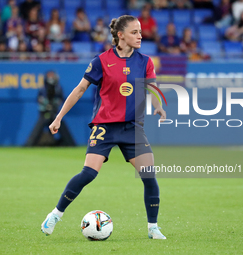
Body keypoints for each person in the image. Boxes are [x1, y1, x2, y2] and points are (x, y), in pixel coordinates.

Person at [40, 15, 167, 240]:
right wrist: (59, 117)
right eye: (135, 32)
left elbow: (153, 89)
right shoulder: (101, 61)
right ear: (120, 35)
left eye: (140, 32)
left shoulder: (145, 61)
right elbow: (79, 89)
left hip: (132, 128)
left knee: (149, 175)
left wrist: (158, 106)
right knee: (88, 173)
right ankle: (55, 215)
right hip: (105, 126)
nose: (140, 36)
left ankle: (153, 227)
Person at [26, 71, 75, 146]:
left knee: (62, 130)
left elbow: (60, 99)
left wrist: (54, 104)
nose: (51, 79)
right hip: (44, 112)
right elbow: (39, 99)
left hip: (55, 112)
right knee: (37, 130)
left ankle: (68, 144)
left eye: (53, 76)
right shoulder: (43, 89)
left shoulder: (58, 88)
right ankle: (29, 144)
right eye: (50, 77)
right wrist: (46, 104)